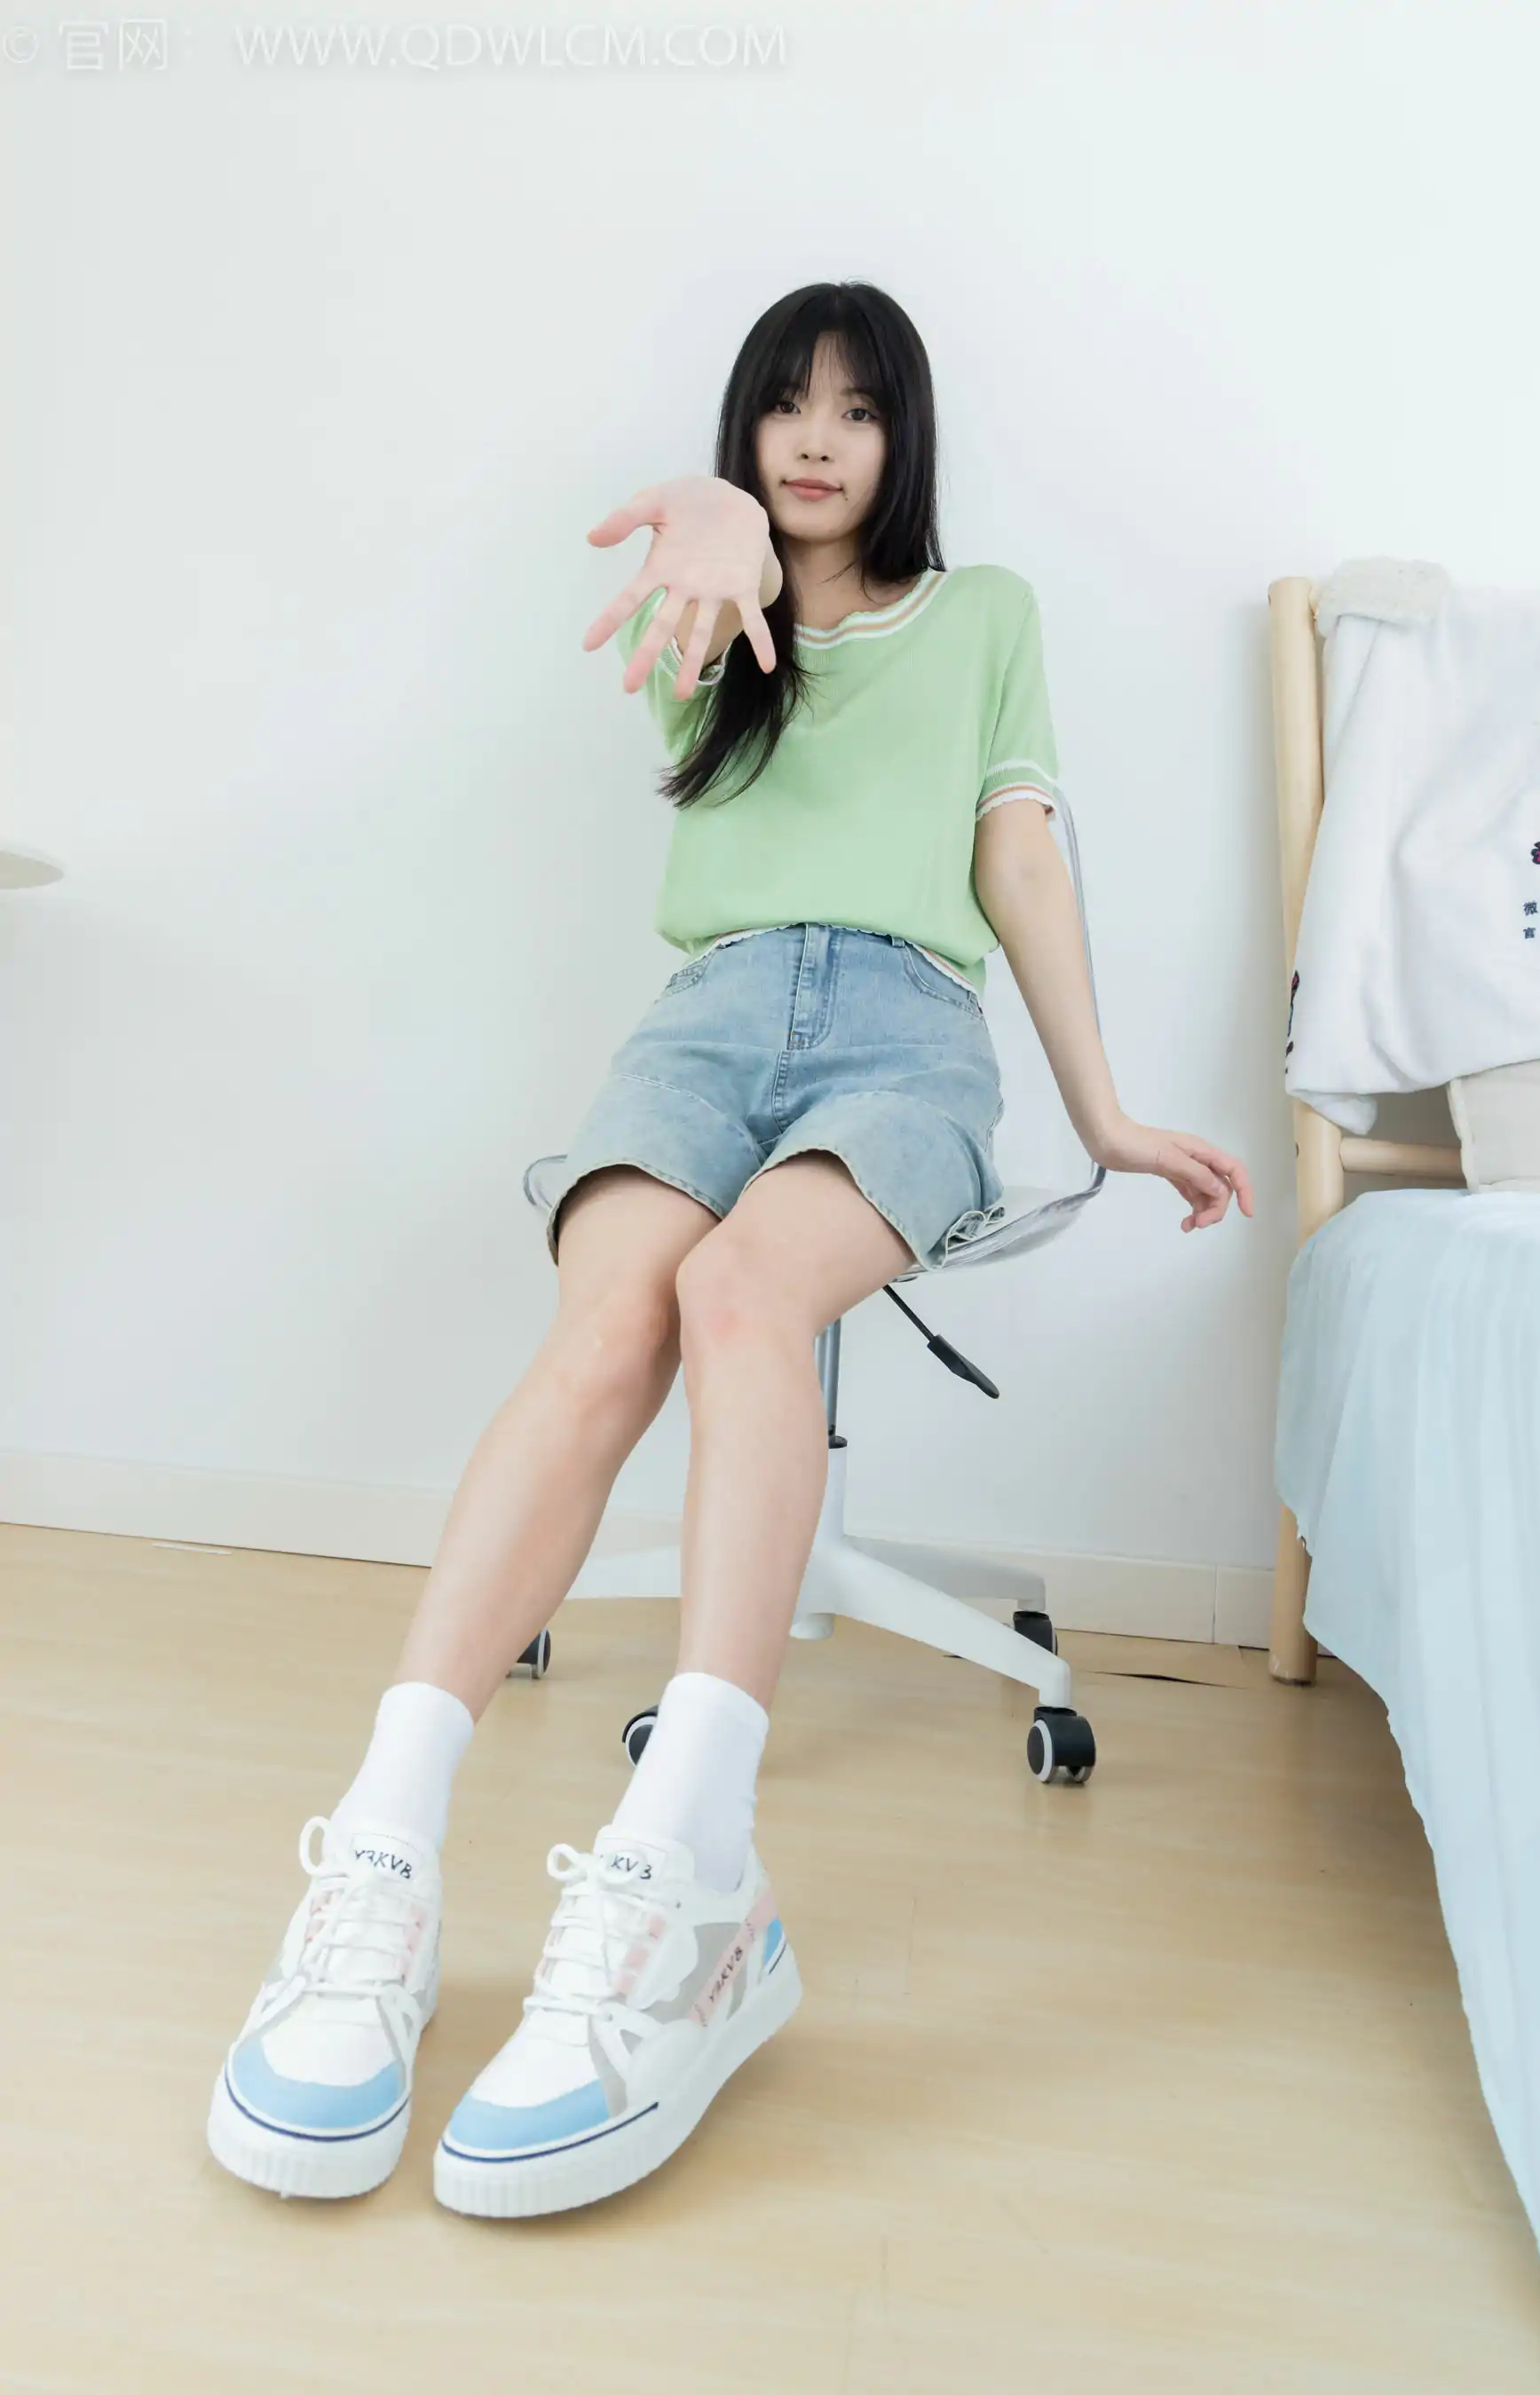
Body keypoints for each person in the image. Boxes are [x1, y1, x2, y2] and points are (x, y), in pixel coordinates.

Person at [206, 281, 1253, 2219]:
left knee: (735, 1290)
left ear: (906, 438)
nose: (819, 436)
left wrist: (1103, 1106)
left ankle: (695, 1872)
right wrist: (709, 522)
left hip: (906, 1030)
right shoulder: (712, 604)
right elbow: (716, 582)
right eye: (784, 404)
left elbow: (1021, 855)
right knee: (610, 1321)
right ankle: (384, 1851)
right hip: (707, 1018)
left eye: (858, 408)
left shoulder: (988, 615)